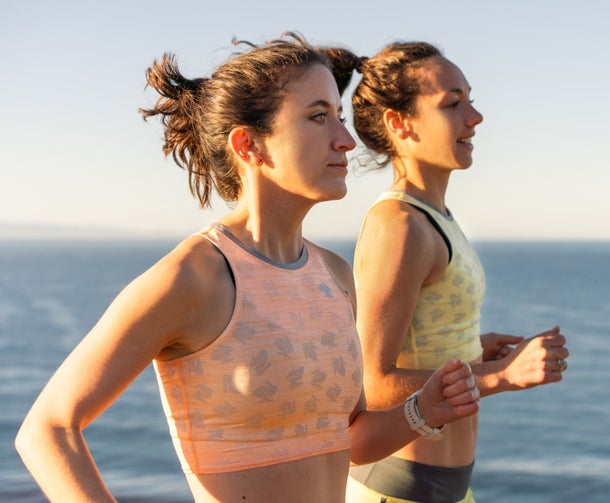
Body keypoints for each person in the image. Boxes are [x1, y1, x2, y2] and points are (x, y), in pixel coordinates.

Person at [14, 34, 481, 503]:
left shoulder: (335, 275)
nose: (346, 139)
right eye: (318, 117)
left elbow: (351, 441)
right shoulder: (195, 277)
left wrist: (423, 410)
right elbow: (47, 429)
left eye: (339, 116)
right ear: (250, 145)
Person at [338, 42, 570, 502]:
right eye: (452, 103)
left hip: (446, 489)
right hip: (397, 492)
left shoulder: (434, 216)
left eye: (470, 100)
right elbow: (373, 382)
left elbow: (417, 345)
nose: (475, 117)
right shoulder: (399, 225)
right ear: (400, 124)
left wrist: (474, 350)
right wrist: (502, 373)